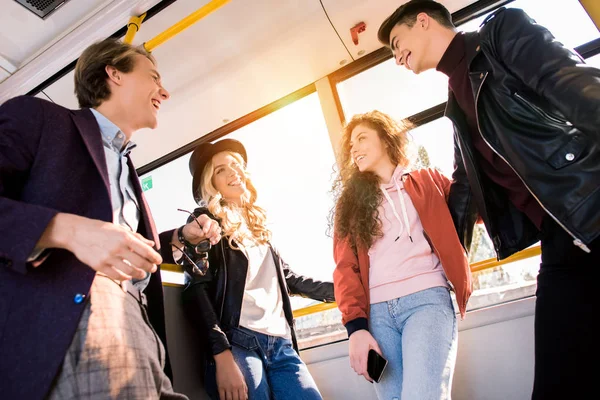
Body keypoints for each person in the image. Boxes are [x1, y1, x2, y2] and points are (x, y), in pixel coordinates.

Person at [377, 1, 600, 398]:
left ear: (423, 21)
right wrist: (430, 257)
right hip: (561, 237)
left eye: (397, 43)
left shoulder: (500, 34)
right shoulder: (456, 103)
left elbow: (572, 82)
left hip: (591, 203)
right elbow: (464, 191)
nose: (397, 58)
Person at [0, 38, 221, 399]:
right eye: (153, 77)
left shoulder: (126, 167)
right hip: (78, 321)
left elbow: (116, 242)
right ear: (113, 74)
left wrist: (180, 237)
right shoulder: (38, 118)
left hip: (143, 330)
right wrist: (66, 230)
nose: (164, 92)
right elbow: (90, 235)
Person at [168, 138, 335, 400]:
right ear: (211, 182)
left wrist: (344, 290)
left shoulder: (256, 225)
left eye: (235, 164)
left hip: (281, 344)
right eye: (221, 169)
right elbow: (196, 291)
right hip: (238, 344)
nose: (232, 171)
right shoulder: (204, 222)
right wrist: (222, 357)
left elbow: (289, 279)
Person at [331, 110, 472, 399]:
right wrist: (356, 329)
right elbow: (345, 268)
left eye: (361, 138)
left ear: (385, 139)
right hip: (378, 316)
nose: (354, 148)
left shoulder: (428, 180)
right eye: (351, 145)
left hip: (427, 301)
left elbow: (473, 208)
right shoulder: (350, 203)